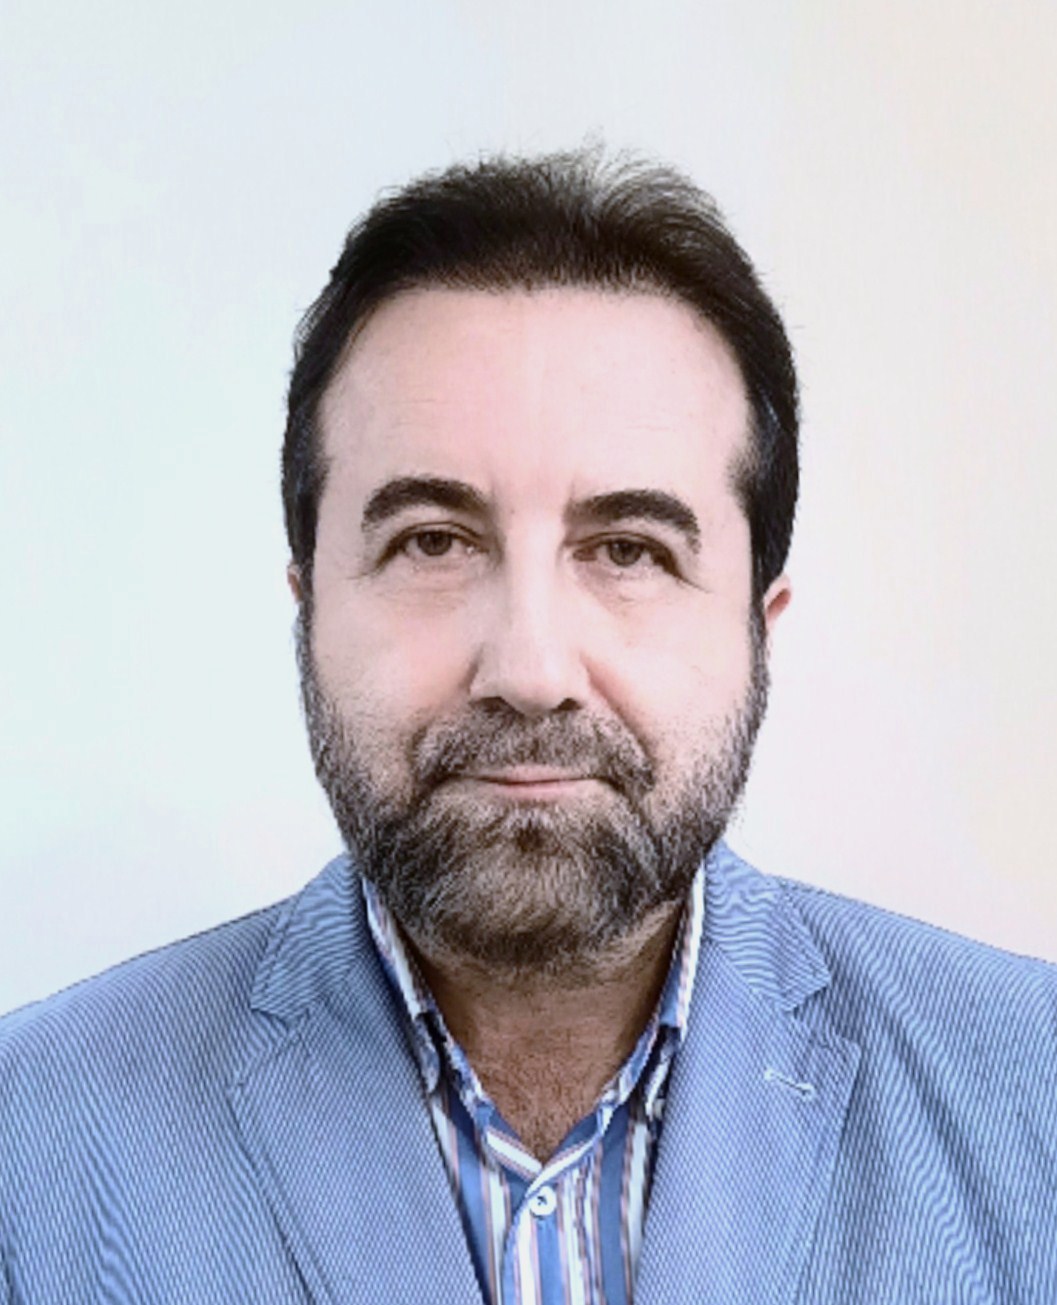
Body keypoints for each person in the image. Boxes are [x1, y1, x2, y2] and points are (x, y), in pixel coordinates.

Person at [1, 147, 1054, 1305]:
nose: (531, 671)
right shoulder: (29, 1144)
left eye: (628, 551)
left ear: (759, 627)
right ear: (309, 608)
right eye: (432, 542)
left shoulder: (1035, 1098)